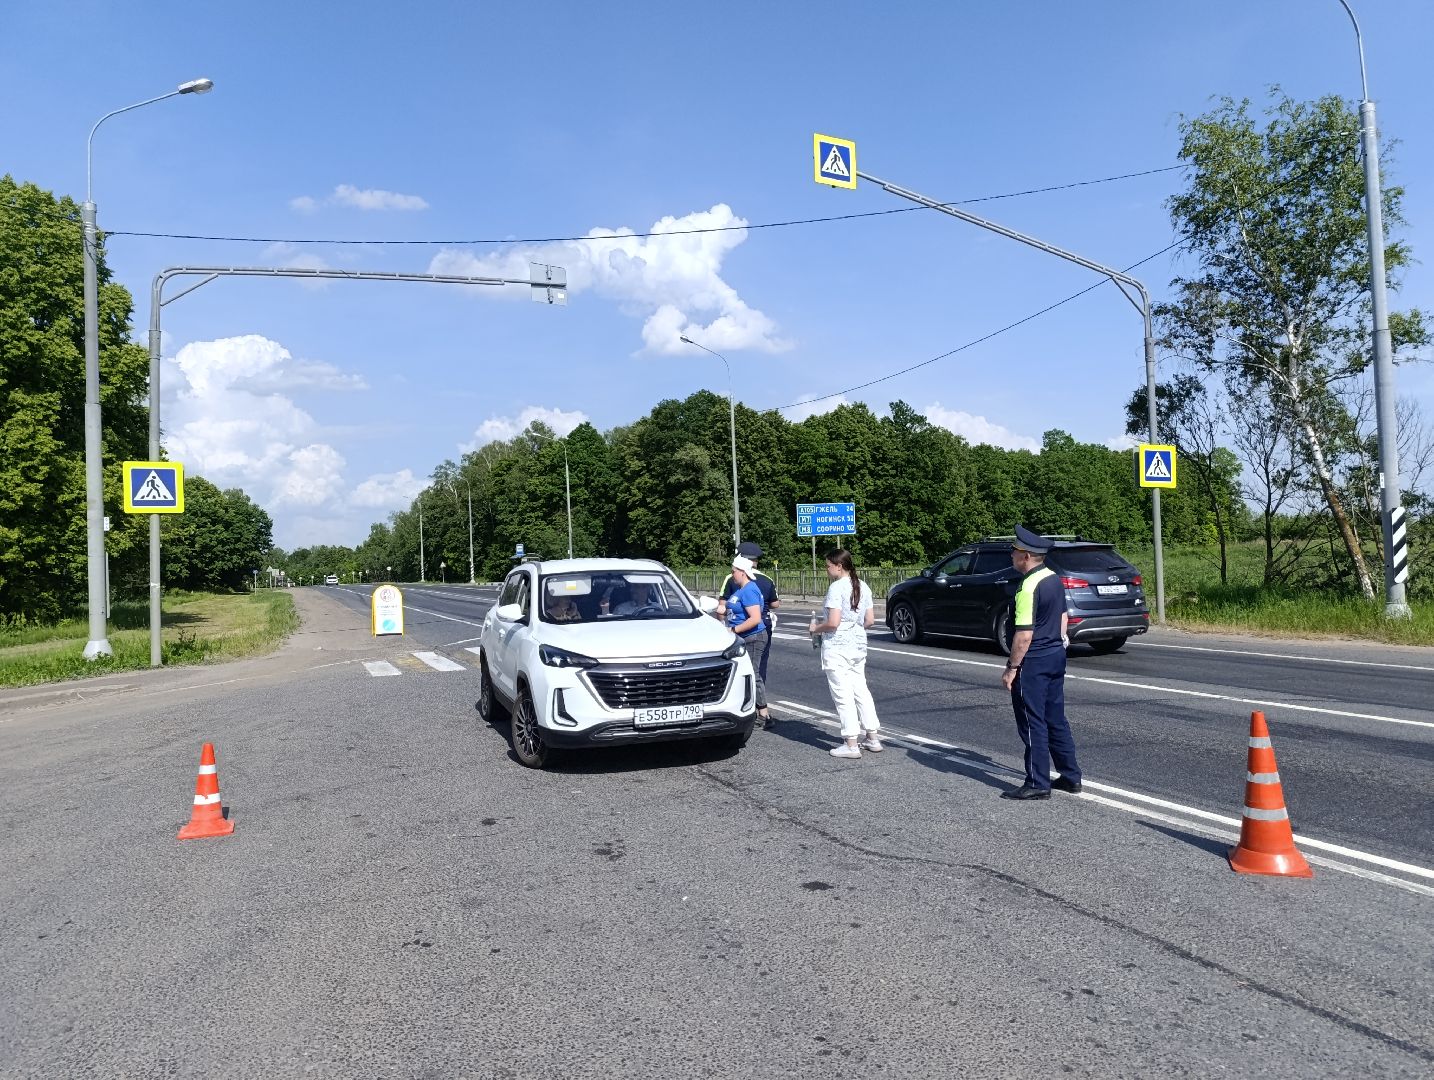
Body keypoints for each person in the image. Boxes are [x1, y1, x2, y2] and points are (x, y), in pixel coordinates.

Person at [1000, 524, 1082, 800]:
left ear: (1025, 556)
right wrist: (1058, 643)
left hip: (1033, 661)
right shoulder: (1053, 578)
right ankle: (1070, 776)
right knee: (1055, 718)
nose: (1011, 555)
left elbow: (1023, 634)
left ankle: (1037, 782)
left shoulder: (1027, 587)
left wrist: (1012, 668)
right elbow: (1063, 617)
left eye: (1014, 551)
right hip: (1055, 656)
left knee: (1033, 721)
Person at [809, 549, 880, 758]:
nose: (826, 569)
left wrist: (815, 629)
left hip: (838, 646)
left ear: (839, 566)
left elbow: (833, 623)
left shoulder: (836, 588)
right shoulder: (863, 586)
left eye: (828, 566)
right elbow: (870, 621)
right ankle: (872, 737)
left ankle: (851, 743)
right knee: (861, 690)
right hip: (858, 644)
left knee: (843, 694)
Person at [719, 541, 780, 683]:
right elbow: (775, 604)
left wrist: (724, 626)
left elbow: (722, 604)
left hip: (741, 626)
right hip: (764, 624)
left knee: (738, 666)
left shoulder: (731, 578)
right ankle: (759, 696)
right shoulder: (767, 579)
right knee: (760, 664)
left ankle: (751, 698)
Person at [725, 555, 771, 724]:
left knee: (753, 674)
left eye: (734, 571)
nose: (732, 574)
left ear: (743, 572)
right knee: (746, 674)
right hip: (744, 638)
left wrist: (733, 629)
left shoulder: (750, 589)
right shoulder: (741, 589)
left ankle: (764, 715)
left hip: (753, 637)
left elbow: (755, 618)